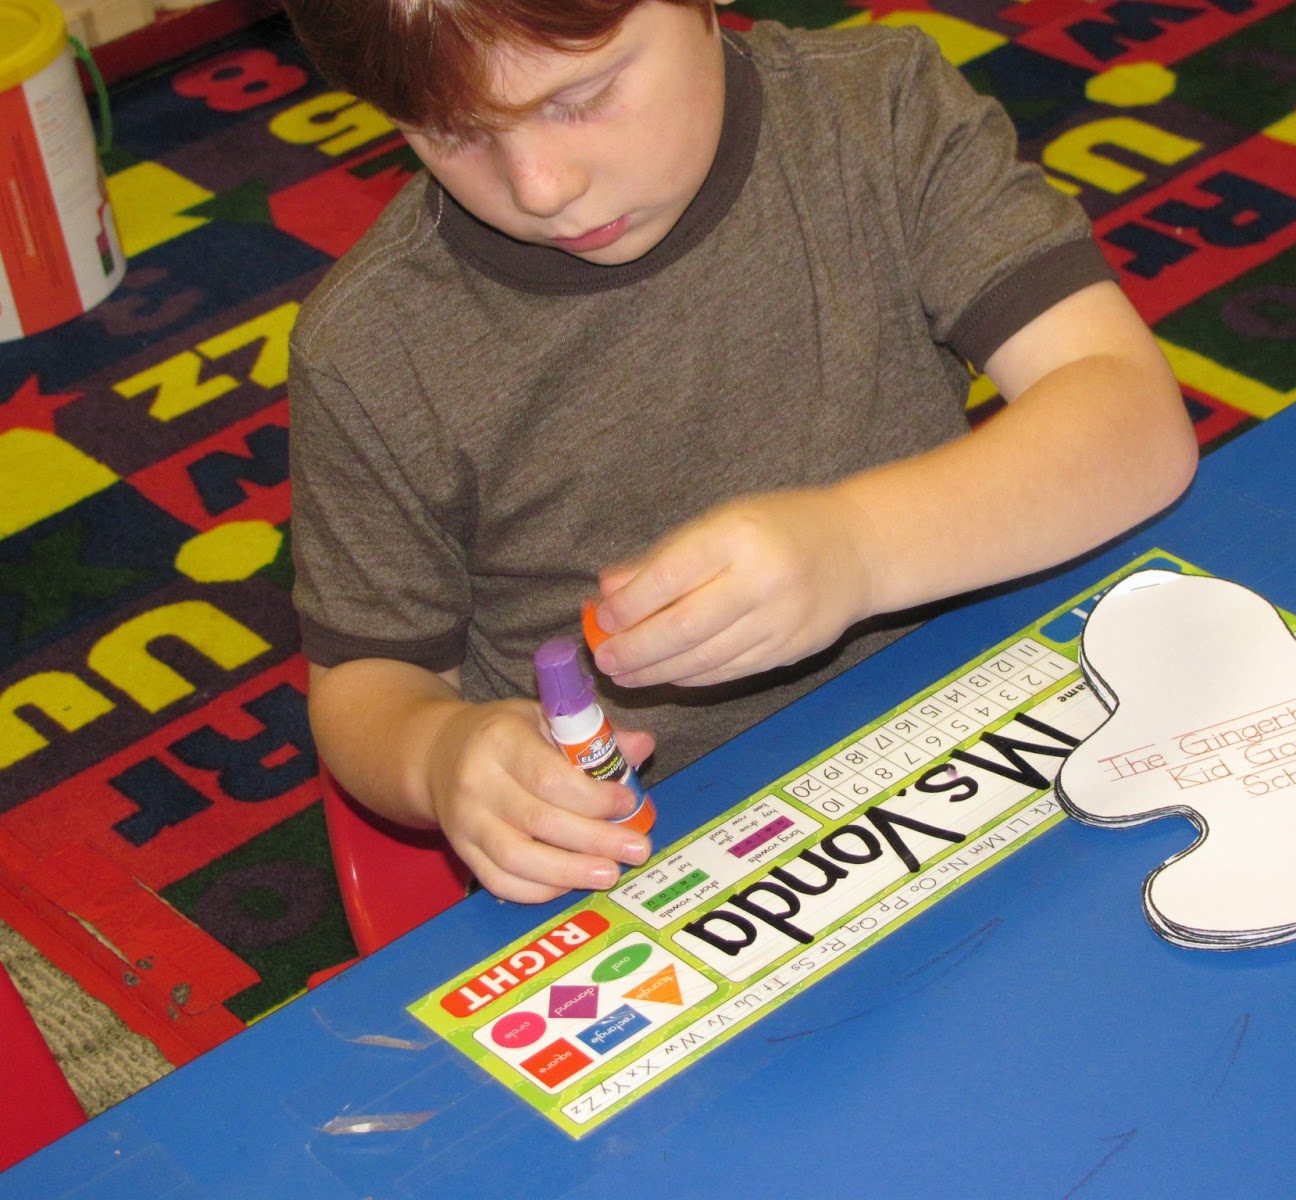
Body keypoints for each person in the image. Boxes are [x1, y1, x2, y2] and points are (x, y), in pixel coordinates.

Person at [282, 0, 1198, 906]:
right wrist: (444, 755)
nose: (539, 185)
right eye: (452, 133)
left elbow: (1134, 420)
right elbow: (369, 682)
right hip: (669, 865)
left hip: (982, 745)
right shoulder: (371, 347)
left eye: (581, 97)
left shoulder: (877, 113)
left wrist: (858, 548)